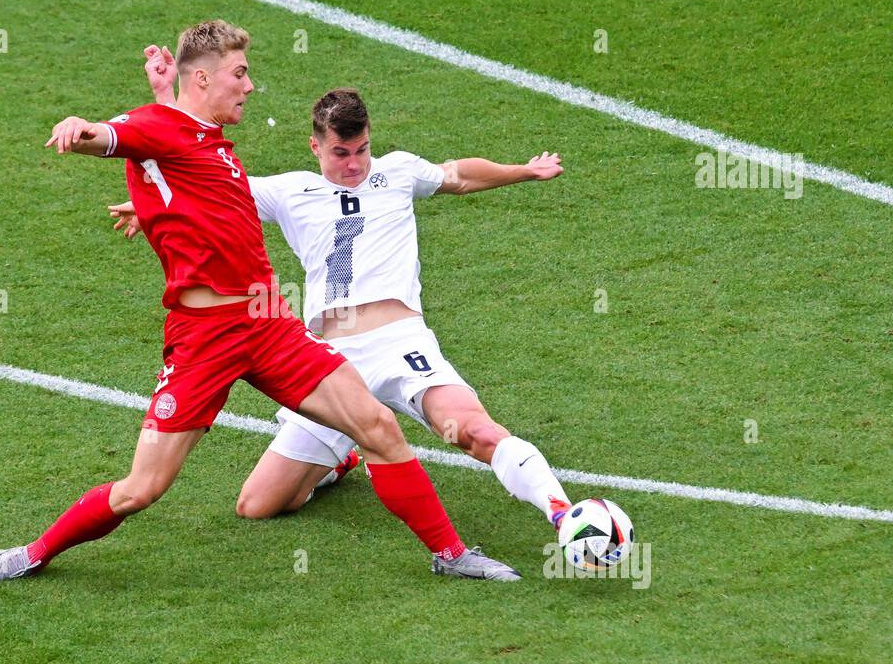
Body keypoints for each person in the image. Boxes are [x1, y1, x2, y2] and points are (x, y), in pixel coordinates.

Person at [0, 21, 520, 584]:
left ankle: (451, 554)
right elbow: (121, 136)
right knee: (143, 488)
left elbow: (175, 151)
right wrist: (82, 129)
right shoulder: (158, 127)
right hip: (205, 336)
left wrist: (165, 109)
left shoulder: (201, 133)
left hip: (266, 319)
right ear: (204, 77)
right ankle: (32, 554)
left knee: (376, 424)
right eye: (240, 73)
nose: (250, 86)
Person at [117, 45, 572, 534]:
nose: (354, 164)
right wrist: (151, 206)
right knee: (259, 503)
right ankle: (339, 461)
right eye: (340, 153)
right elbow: (199, 183)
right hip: (327, 364)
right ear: (316, 147)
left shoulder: (398, 171)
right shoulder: (290, 191)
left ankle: (564, 514)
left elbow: (458, 175)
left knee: (474, 432)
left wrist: (524, 171)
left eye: (361, 150)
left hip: (400, 345)